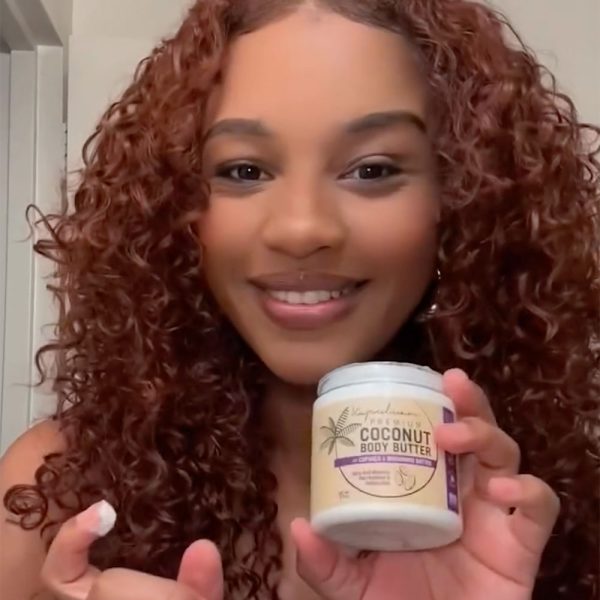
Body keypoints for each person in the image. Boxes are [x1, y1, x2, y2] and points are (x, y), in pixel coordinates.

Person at [1, 0, 598, 598]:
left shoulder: (560, 501)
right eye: (243, 171)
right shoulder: (53, 487)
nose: (302, 228)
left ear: (461, 196)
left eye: (371, 170)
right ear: (174, 209)